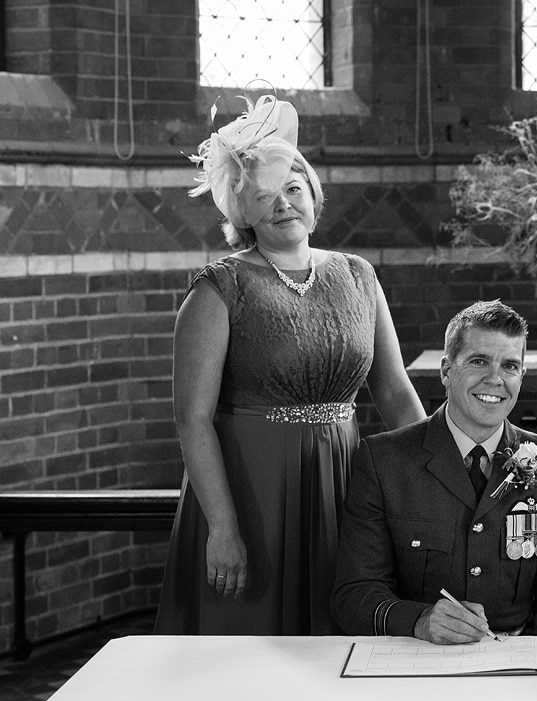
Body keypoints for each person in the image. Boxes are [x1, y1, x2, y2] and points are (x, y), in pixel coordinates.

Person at [155, 94, 426, 635]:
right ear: (242, 212)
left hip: (344, 483)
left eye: (293, 189)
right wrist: (224, 527)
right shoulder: (219, 288)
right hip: (251, 489)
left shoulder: (357, 275)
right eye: (263, 196)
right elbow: (192, 418)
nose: (283, 205)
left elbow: (394, 393)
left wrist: (433, 473)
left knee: (338, 633)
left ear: (313, 193)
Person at [331, 300, 537, 642]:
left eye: (509, 366)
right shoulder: (383, 461)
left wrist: (534, 657)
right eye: (479, 361)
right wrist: (419, 620)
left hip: (521, 660)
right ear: (446, 371)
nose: (495, 379)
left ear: (521, 377)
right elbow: (354, 595)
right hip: (418, 657)